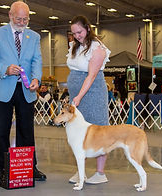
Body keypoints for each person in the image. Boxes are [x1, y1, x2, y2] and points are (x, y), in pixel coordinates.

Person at [0, 1, 46, 183]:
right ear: (10, 16)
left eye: (25, 19)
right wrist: (5, 69)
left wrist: (36, 79)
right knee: (1, 130)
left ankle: (29, 167)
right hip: (3, 87)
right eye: (18, 18)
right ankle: (0, 169)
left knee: (27, 130)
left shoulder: (34, 36)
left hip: (26, 89)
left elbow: (37, 60)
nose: (21, 22)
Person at [66, 15, 111, 184]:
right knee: (79, 134)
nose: (77, 35)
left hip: (92, 92)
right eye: (74, 33)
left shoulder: (98, 48)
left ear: (88, 28)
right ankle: (81, 172)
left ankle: (100, 173)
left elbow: (91, 76)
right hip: (77, 94)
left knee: (99, 131)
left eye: (79, 32)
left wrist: (78, 96)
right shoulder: (74, 46)